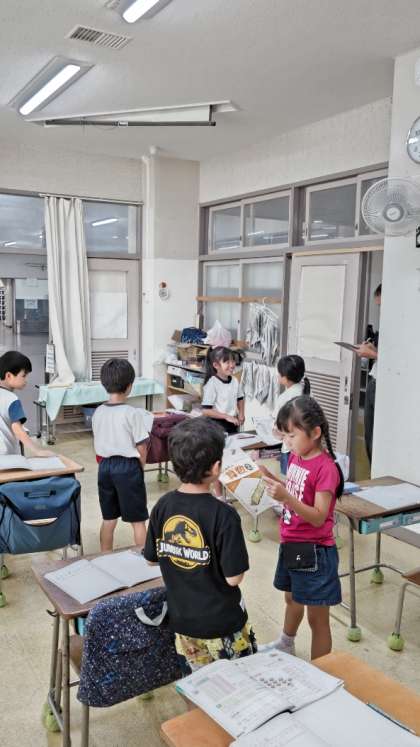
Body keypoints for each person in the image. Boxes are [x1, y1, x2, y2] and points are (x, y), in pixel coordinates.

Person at [144, 417, 256, 674]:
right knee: (237, 684)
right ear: (216, 467)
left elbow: (150, 558)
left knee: (197, 685)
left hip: (184, 623)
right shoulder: (224, 515)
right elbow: (234, 578)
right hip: (223, 623)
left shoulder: (163, 506)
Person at [260, 395, 344, 660]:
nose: (287, 442)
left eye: (292, 435)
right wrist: (272, 480)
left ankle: (323, 670)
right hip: (292, 543)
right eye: (284, 435)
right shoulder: (298, 456)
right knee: (291, 598)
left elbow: (318, 516)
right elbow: (297, 490)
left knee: (317, 618)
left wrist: (286, 498)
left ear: (315, 433)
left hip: (315, 551)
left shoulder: (326, 468)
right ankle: (286, 642)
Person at [92, 358, 149, 551]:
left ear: (104, 384)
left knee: (108, 519)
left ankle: (105, 556)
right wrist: (140, 467)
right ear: (129, 386)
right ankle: (143, 559)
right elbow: (142, 447)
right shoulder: (132, 413)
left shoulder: (98, 411)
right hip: (128, 467)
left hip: (105, 467)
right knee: (138, 520)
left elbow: (98, 442)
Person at [201, 346, 244, 498]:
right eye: (227, 362)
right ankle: (219, 496)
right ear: (216, 365)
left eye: (233, 361)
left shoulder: (235, 381)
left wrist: (241, 413)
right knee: (218, 461)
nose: (232, 365)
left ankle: (231, 491)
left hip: (232, 425)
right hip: (216, 426)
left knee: (232, 459)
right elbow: (206, 410)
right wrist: (226, 416)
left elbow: (240, 398)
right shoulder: (212, 384)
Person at [0, 350, 53, 457]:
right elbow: (17, 427)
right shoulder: (12, 399)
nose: (26, 380)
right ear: (9, 375)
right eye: (23, 376)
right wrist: (37, 451)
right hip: (7, 456)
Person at [356, 283, 381, 465]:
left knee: (377, 437)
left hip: (384, 385)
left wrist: (373, 354)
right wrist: (373, 349)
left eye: (381, 305)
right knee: (369, 435)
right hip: (375, 380)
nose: (381, 310)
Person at [274, 355, 310, 476]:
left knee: (289, 480)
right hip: (306, 446)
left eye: (279, 373)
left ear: (285, 378)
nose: (278, 375)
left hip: (290, 448)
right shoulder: (306, 390)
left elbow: (278, 428)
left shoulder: (284, 398)